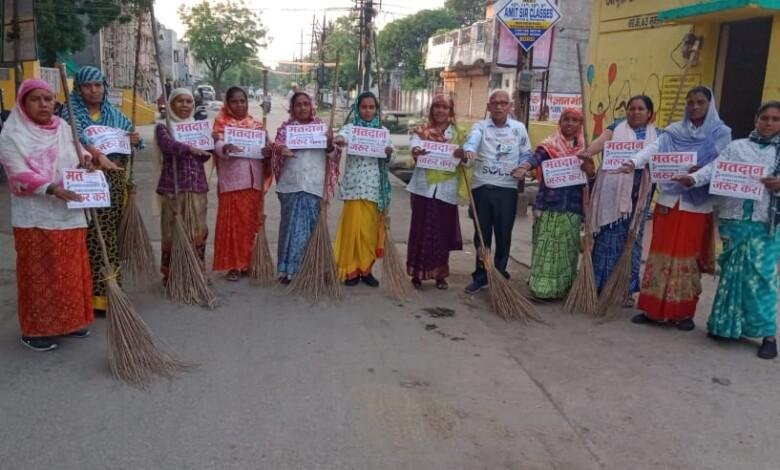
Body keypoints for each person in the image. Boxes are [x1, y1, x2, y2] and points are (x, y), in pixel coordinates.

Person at [621, 86, 731, 330]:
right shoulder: (674, 131)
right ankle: (652, 310)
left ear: (709, 105)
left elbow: (720, 164)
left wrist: (696, 178)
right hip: (669, 200)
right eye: (690, 102)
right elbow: (653, 148)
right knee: (660, 255)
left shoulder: (721, 133)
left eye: (700, 102)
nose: (694, 107)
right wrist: (633, 161)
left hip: (697, 204)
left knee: (686, 259)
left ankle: (683, 313)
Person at [676, 101, 780, 359]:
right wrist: (693, 178)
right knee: (731, 274)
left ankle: (768, 335)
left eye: (775, 119)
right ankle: (725, 325)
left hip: (766, 224)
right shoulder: (737, 147)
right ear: (756, 119)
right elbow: (715, 169)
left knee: (764, 278)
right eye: (764, 118)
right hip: (734, 220)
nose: (769, 123)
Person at [0, 79, 94, 351]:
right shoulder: (12, 133)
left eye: (49, 99)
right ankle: (36, 331)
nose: (44, 104)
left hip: (70, 211)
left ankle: (70, 321)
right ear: (22, 102)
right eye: (36, 99)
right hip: (35, 217)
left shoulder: (63, 127)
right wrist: (52, 188)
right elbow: (17, 173)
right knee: (40, 274)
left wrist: (86, 159)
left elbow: (78, 151)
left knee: (69, 271)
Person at [61, 65, 140, 314]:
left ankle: (109, 291)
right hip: (87, 180)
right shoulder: (70, 113)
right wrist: (96, 154)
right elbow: (72, 138)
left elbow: (133, 139)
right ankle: (97, 294)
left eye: (98, 85)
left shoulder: (114, 114)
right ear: (79, 88)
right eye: (87, 85)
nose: (94, 90)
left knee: (110, 235)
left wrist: (135, 139)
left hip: (114, 182)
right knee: (94, 235)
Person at [580, 95, 659, 304]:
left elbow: (666, 160)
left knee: (632, 240)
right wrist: (587, 153)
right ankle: (599, 286)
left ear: (649, 113)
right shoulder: (616, 128)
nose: (635, 112)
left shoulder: (657, 135)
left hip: (640, 194)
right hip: (612, 192)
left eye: (641, 109)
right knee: (609, 238)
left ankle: (625, 289)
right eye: (631, 108)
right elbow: (599, 143)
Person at [513, 108, 594, 299]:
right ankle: (542, 288)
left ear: (580, 125)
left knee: (568, 249)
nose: (570, 123)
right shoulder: (549, 145)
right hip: (550, 205)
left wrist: (589, 170)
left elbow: (591, 179)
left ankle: (563, 288)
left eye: (575, 120)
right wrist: (525, 166)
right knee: (546, 247)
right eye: (566, 119)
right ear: (560, 122)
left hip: (573, 207)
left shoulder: (586, 149)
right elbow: (536, 158)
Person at [461, 90, 531, 294]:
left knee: (503, 234)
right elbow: (472, 140)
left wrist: (524, 167)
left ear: (510, 106)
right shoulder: (480, 127)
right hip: (482, 187)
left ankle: (499, 274)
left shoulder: (518, 129)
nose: (499, 106)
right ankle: (481, 275)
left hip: (507, 189)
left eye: (503, 103)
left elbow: (527, 152)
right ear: (488, 107)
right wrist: (470, 150)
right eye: (495, 103)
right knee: (482, 235)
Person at [272, 92, 340, 283]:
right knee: (289, 229)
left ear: (311, 106)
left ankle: (308, 269)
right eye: (298, 105)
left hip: (314, 185)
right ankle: (286, 270)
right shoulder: (286, 129)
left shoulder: (322, 129)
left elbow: (334, 156)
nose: (302, 108)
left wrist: (329, 145)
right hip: (290, 185)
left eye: (305, 104)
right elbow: (275, 148)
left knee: (309, 230)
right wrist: (280, 150)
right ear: (292, 108)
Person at [333, 91, 394, 286]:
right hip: (353, 187)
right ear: (357, 109)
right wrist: (340, 140)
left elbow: (393, 157)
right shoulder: (351, 129)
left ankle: (366, 270)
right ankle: (350, 271)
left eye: (371, 107)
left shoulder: (382, 132)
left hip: (374, 188)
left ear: (376, 110)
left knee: (368, 231)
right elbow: (340, 137)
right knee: (352, 230)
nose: (367, 111)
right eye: (363, 107)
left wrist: (388, 153)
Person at [407, 94, 466, 290]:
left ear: (450, 111)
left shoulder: (459, 135)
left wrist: (463, 155)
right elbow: (414, 145)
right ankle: (417, 273)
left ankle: (440, 275)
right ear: (432, 110)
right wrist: (417, 151)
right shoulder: (422, 131)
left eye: (445, 107)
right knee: (420, 231)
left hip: (446, 191)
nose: (440, 110)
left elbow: (470, 159)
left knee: (442, 232)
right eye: (437, 106)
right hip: (424, 188)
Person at [212, 87, 272, 281]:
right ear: (227, 104)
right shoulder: (221, 124)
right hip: (231, 183)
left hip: (253, 183)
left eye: (242, 101)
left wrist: (267, 152)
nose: (239, 105)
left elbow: (268, 148)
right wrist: (225, 147)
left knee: (249, 225)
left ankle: (247, 262)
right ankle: (233, 265)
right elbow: (217, 146)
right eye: (235, 102)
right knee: (232, 227)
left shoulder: (256, 125)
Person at [154, 88, 213, 281]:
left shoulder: (198, 128)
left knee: (197, 229)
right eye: (180, 101)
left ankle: (194, 271)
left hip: (196, 188)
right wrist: (190, 149)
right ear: (171, 104)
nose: (185, 105)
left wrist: (206, 150)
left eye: (189, 102)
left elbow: (205, 156)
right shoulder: (164, 127)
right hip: (174, 188)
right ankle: (173, 274)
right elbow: (168, 146)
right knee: (173, 228)